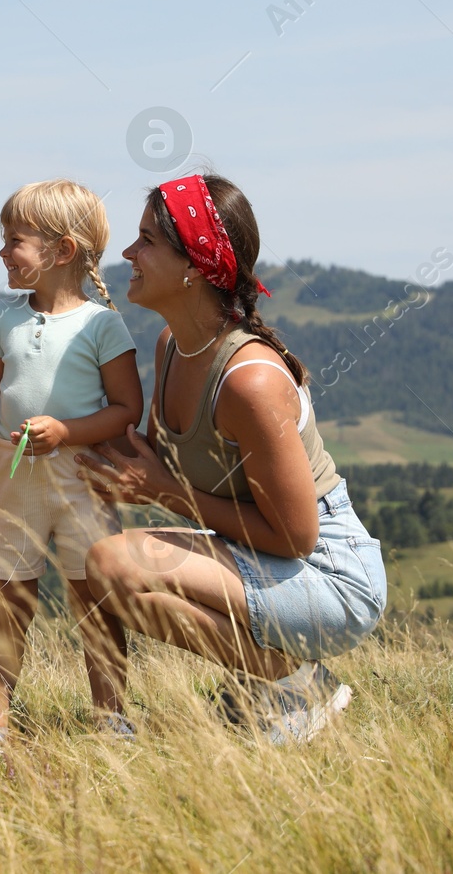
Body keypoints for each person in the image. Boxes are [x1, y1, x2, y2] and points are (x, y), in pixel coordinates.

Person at [77, 174, 387, 743]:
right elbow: (151, 464)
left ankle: (297, 683)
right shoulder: (172, 345)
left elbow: (294, 536)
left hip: (330, 576)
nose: (128, 253)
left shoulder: (250, 381)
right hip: (262, 561)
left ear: (193, 265)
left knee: (115, 564)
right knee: (107, 568)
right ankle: (276, 687)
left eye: (146, 239)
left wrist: (162, 493)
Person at [0, 180, 143, 753]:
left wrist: (66, 432)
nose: (3, 252)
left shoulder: (102, 326)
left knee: (96, 599)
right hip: (12, 478)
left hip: (82, 480)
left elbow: (127, 410)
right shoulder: (3, 315)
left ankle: (110, 716)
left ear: (61, 251)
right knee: (8, 601)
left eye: (14, 240)